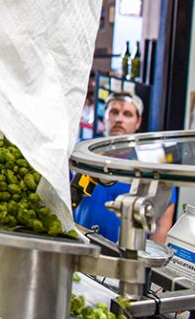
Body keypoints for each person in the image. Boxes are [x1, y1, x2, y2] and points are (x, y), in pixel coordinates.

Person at [74, 91, 176, 244]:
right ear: (105, 116)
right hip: (80, 244)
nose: (119, 119)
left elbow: (162, 224)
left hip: (126, 257)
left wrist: (146, 264)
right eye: (114, 112)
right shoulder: (83, 152)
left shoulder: (149, 164)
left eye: (127, 114)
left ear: (138, 122)